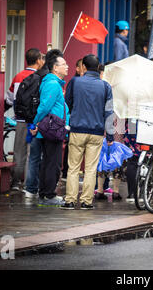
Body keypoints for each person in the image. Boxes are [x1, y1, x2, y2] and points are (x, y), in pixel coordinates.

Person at [61, 54, 115, 210]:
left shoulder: (75, 82)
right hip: (97, 132)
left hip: (77, 130)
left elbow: (68, 103)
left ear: (83, 67)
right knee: (90, 168)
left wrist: (75, 114)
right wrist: (110, 135)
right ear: (99, 68)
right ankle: (86, 201)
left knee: (73, 168)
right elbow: (109, 112)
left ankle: (70, 200)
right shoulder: (106, 86)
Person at [32, 54, 70, 207]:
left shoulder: (54, 83)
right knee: (52, 162)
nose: (67, 66)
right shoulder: (53, 84)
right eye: (64, 63)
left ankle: (45, 194)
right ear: (55, 67)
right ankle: (48, 195)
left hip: (53, 128)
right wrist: (35, 123)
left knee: (50, 161)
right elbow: (44, 107)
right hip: (52, 129)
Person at [5, 48, 44, 191]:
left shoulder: (18, 76)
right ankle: (29, 183)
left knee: (19, 152)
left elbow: (9, 98)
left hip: (20, 120)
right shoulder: (41, 78)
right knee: (32, 154)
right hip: (35, 121)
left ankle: (15, 182)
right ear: (39, 60)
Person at [22, 50, 60, 199]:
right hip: (43, 124)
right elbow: (45, 106)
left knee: (34, 157)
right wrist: (37, 122)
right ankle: (42, 191)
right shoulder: (50, 80)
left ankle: (31, 189)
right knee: (48, 159)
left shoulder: (32, 77)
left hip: (31, 121)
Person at [62, 58, 85, 181]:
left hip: (79, 120)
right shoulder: (74, 81)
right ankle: (66, 172)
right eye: (82, 66)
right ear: (77, 68)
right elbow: (68, 101)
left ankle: (69, 172)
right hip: (74, 118)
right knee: (71, 147)